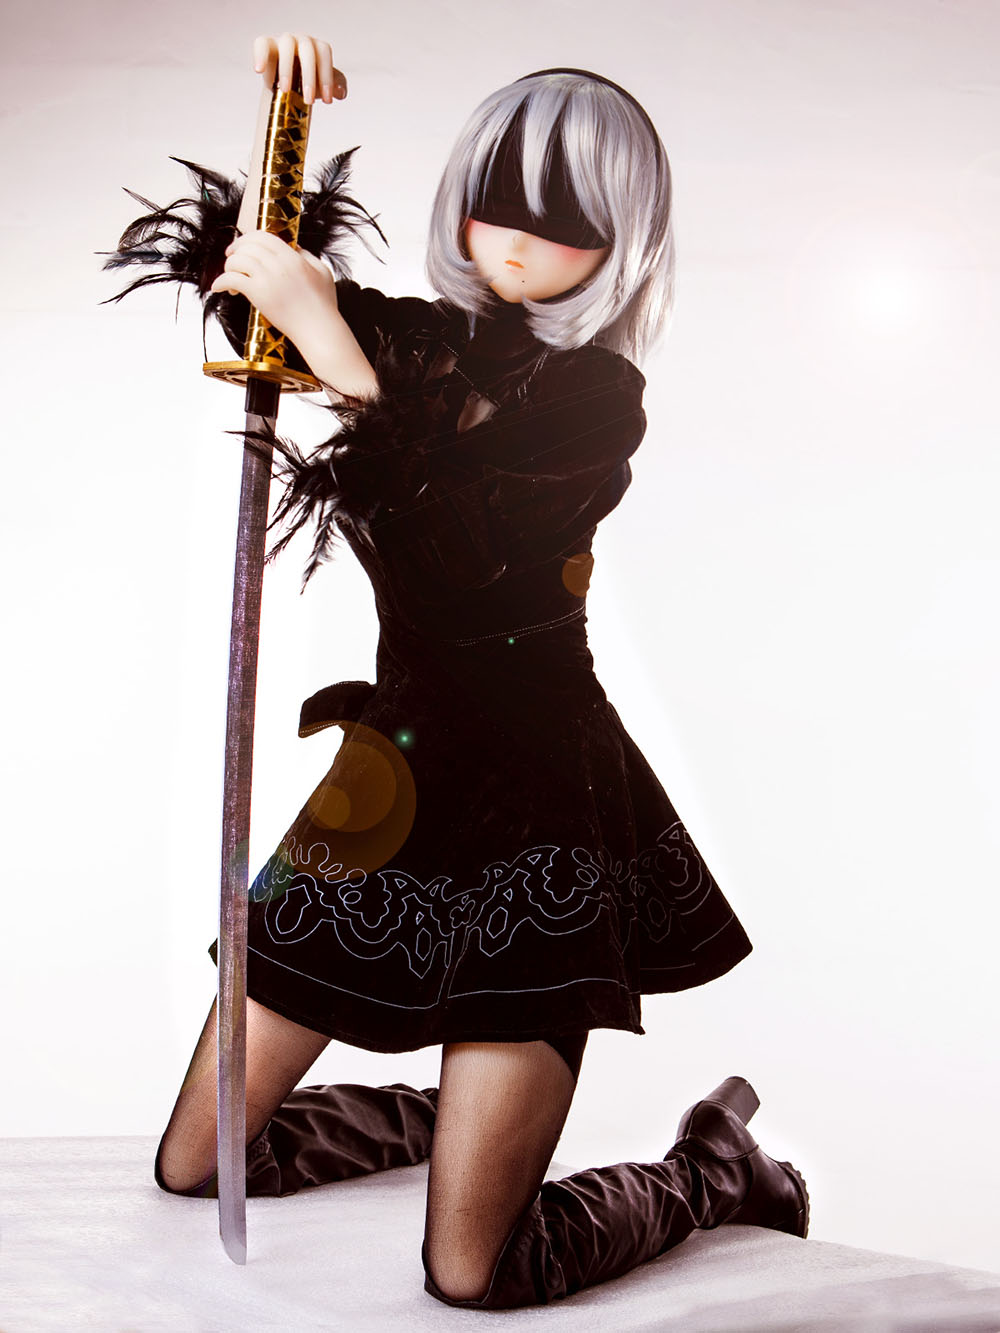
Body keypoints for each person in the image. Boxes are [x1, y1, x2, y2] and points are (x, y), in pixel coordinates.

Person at [112, 32, 809, 1310]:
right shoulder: (414, 336)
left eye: (567, 220)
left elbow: (463, 557)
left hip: (542, 810)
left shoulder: (596, 397)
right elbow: (253, 306)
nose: (522, 240)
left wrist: (334, 347)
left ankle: (715, 1169)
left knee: (473, 1271)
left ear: (622, 239)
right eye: (499, 203)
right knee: (196, 1162)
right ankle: (450, 1117)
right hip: (392, 781)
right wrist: (284, 138)